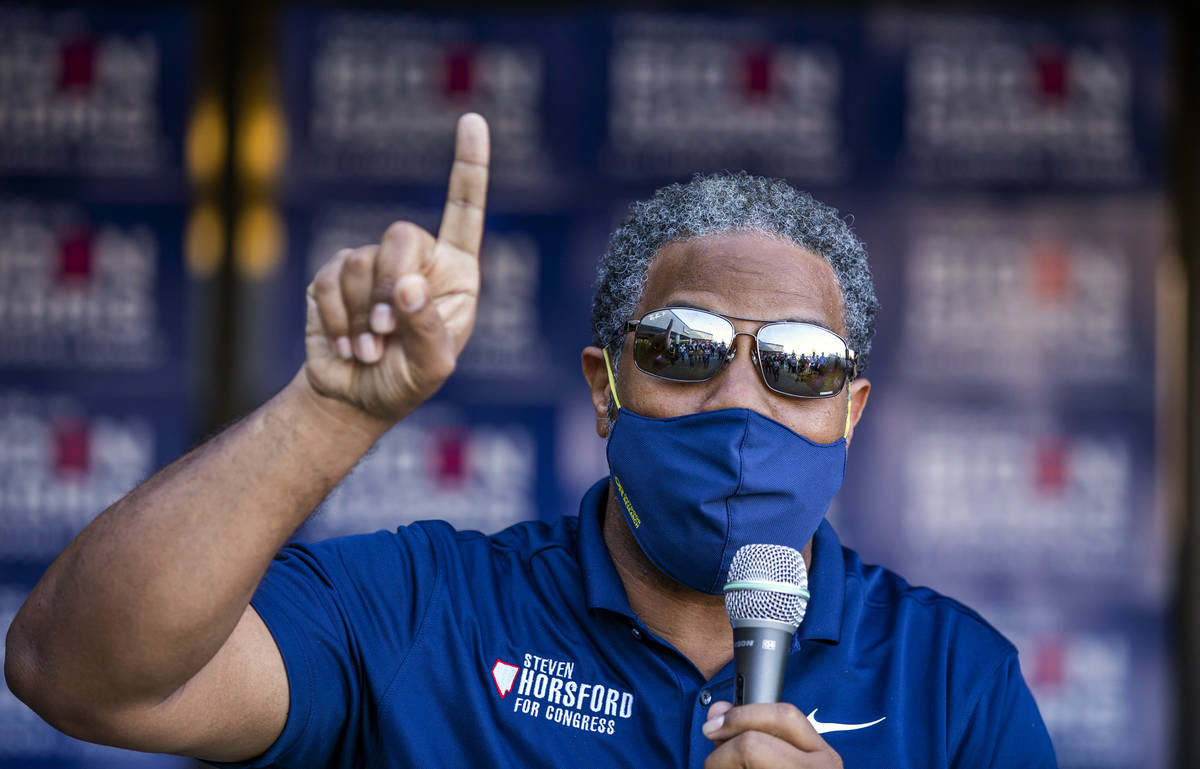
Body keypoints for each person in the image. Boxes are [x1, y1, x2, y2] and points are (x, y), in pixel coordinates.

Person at [5, 114, 1057, 768]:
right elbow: (82, 672)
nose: (741, 398)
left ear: (851, 411)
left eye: (800, 362)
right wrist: (334, 408)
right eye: (683, 347)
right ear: (605, 387)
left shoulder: (955, 680)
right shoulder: (428, 611)